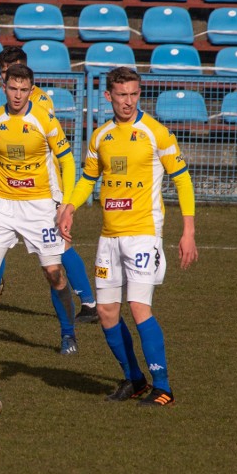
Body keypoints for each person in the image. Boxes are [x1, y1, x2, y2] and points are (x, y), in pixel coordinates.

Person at [57, 67, 197, 406]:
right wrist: (70, 207)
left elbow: (182, 179)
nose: (128, 101)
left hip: (143, 236)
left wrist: (188, 232)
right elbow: (88, 177)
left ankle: (163, 387)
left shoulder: (155, 133)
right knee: (106, 312)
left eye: (134, 94)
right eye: (122, 95)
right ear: (109, 96)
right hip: (109, 238)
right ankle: (134, 379)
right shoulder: (101, 136)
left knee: (138, 308)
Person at [0, 46, 97, 324]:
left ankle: (88, 303)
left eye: (10, 72)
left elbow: (40, 143)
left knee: (60, 249)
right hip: (16, 185)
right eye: (4, 75)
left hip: (45, 185)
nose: (8, 81)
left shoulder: (40, 102)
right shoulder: (4, 110)